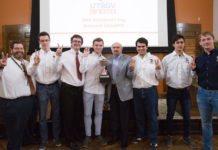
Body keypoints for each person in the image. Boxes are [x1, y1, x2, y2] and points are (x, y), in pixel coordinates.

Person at [27, 31, 62, 150]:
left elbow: (59, 71)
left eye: (46, 40)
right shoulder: (34, 55)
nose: (44, 42)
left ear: (49, 41)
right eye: (42, 41)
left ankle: (57, 137)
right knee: (42, 116)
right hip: (41, 87)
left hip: (54, 86)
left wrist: (57, 58)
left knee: (56, 114)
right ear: (39, 42)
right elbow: (29, 72)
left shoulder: (55, 54)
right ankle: (44, 140)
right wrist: (35, 64)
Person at [162, 34, 197, 148]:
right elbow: (162, 74)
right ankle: (170, 136)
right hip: (172, 91)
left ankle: (187, 137)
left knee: (187, 115)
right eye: (177, 42)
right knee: (170, 114)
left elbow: (193, 75)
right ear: (173, 44)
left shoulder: (189, 58)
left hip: (185, 91)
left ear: (184, 44)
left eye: (182, 42)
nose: (180, 44)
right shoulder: (167, 58)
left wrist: (193, 70)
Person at [0, 41, 35, 150]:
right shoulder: (5, 62)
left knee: (22, 129)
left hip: (27, 101)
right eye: (16, 48)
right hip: (11, 103)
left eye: (21, 48)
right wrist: (0, 67)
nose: (19, 50)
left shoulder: (27, 63)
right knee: (14, 131)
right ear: (11, 50)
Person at [131, 37, 164, 150]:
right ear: (136, 47)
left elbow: (161, 77)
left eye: (143, 46)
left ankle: (153, 139)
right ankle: (140, 135)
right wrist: (130, 70)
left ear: (147, 47)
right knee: (139, 115)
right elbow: (130, 77)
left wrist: (159, 69)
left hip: (150, 91)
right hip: (136, 91)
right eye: (139, 46)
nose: (141, 48)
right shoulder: (133, 60)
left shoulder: (154, 59)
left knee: (152, 116)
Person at [190, 32, 218, 150]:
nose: (206, 41)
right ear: (200, 43)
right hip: (202, 94)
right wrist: (193, 69)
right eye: (203, 40)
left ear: (213, 40)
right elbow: (197, 76)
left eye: (208, 39)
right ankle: (207, 147)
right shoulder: (199, 58)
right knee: (206, 123)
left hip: (217, 93)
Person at [57, 34, 85, 150]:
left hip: (79, 89)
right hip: (67, 89)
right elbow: (57, 70)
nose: (77, 43)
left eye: (79, 41)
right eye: (74, 41)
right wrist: (57, 57)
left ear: (81, 43)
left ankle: (77, 135)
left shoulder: (84, 56)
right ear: (71, 43)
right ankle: (69, 140)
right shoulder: (63, 55)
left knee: (78, 114)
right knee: (68, 115)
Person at [79, 38, 107, 147]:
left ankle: (98, 134)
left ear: (103, 46)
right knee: (87, 113)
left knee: (99, 113)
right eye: (96, 45)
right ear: (93, 46)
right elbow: (82, 70)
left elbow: (106, 77)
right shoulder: (87, 57)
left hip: (100, 90)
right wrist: (85, 57)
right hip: (88, 89)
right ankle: (88, 135)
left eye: (100, 45)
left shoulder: (105, 59)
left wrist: (104, 74)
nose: (98, 47)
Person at [106, 42, 134, 150]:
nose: (116, 49)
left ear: (121, 49)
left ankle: (124, 139)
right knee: (114, 116)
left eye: (118, 47)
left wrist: (131, 70)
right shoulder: (108, 60)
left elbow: (130, 76)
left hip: (124, 91)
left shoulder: (128, 59)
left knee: (124, 117)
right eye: (114, 47)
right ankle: (115, 137)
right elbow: (106, 75)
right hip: (112, 90)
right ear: (111, 49)